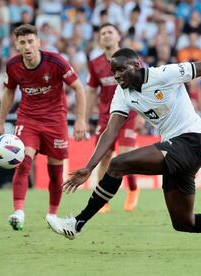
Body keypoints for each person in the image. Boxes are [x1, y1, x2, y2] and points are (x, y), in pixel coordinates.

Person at [47, 48, 201, 249]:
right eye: (114, 71)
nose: (116, 75)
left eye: (121, 69)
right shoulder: (123, 93)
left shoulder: (163, 74)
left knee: (117, 165)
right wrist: (89, 167)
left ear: (137, 64)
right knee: (183, 222)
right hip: (175, 149)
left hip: (191, 141)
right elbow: (111, 131)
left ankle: (77, 223)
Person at [0, 24, 86, 231]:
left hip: (55, 120)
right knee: (23, 162)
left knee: (55, 173)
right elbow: (9, 92)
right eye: (22, 42)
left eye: (30, 41)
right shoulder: (13, 65)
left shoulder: (55, 61)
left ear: (38, 42)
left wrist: (80, 120)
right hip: (28, 119)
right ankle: (18, 211)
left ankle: (52, 215)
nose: (27, 46)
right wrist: (1, 123)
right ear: (16, 45)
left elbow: (79, 88)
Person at [86, 23, 140, 213]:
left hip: (129, 115)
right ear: (100, 39)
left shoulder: (130, 58)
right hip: (105, 118)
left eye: (110, 32)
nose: (106, 35)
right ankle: (103, 200)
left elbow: (142, 84)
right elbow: (92, 92)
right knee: (104, 156)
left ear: (118, 35)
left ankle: (133, 190)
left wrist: (142, 114)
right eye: (103, 33)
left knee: (126, 156)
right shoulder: (95, 63)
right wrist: (84, 120)